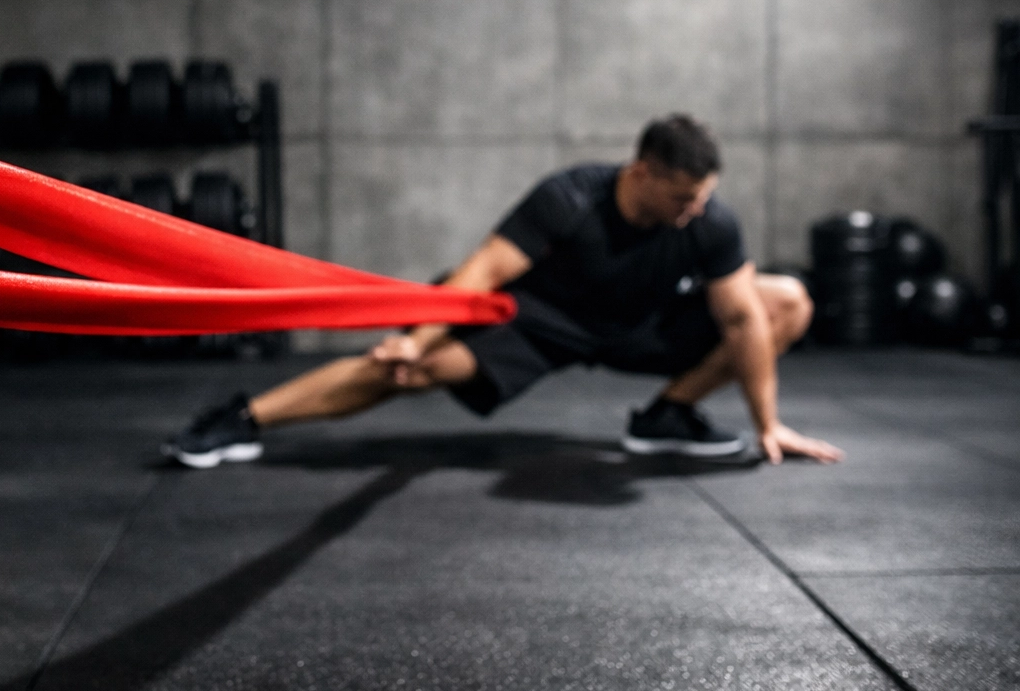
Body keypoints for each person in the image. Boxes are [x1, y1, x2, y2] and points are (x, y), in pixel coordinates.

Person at [165, 114, 844, 470]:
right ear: (641, 172)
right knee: (410, 368)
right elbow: (483, 270)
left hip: (640, 324)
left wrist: (767, 424)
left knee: (784, 300)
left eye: (701, 200)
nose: (692, 212)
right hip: (538, 320)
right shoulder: (569, 197)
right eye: (681, 198)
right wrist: (415, 333)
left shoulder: (708, 220)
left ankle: (668, 417)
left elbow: (742, 319)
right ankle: (243, 419)